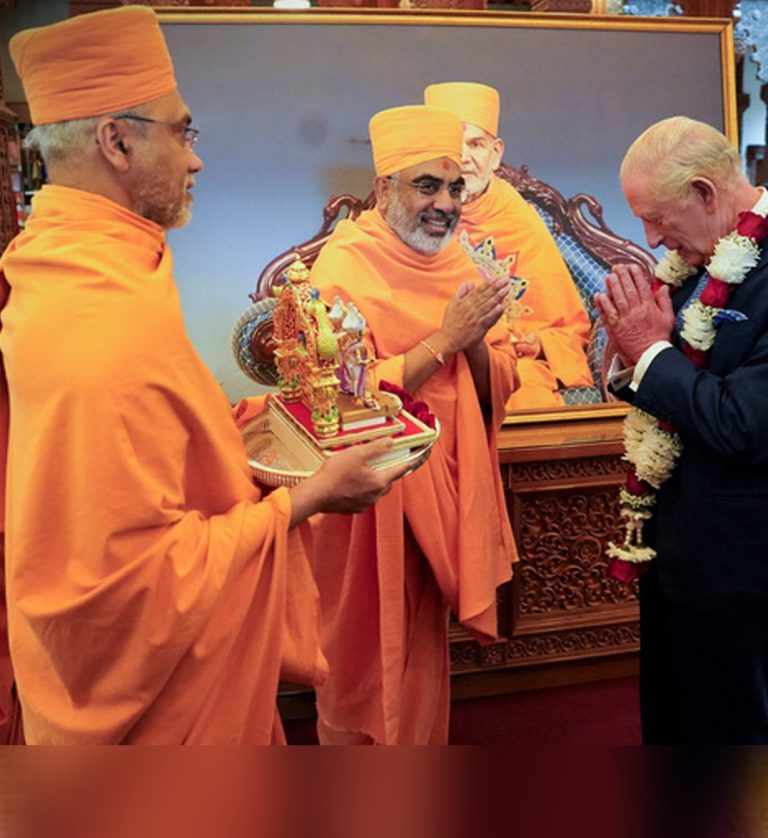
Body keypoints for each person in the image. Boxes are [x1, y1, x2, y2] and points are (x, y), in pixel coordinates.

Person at [0, 6, 413, 745]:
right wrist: (309, 497)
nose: (194, 159)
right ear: (116, 141)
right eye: (182, 132)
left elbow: (148, 446)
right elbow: (130, 596)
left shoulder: (80, 258)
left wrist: (239, 426)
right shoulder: (96, 322)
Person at [307, 104, 519, 744]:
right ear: (384, 190)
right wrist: (446, 338)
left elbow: (498, 380)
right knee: (362, 656)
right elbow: (341, 399)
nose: (445, 204)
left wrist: (475, 342)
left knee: (421, 655)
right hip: (364, 498)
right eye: (427, 185)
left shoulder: (462, 262)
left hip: (442, 489)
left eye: (455, 187)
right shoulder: (345, 265)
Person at [593, 115, 768, 744]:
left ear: (703, 192)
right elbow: (671, 370)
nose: (651, 237)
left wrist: (650, 354)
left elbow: (744, 423)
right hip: (680, 561)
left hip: (746, 576)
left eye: (658, 217)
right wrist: (630, 360)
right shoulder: (702, 262)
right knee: (675, 725)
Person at [424, 82, 594, 409]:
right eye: (452, 144)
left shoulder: (519, 219)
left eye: (476, 144)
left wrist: (539, 342)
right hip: (437, 356)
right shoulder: (414, 213)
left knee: (524, 388)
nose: (464, 156)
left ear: (495, 153)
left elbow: (565, 325)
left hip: (510, 361)